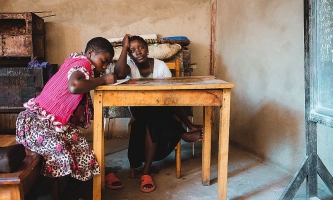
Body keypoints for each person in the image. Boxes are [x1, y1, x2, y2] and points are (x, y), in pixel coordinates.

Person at [15, 37, 123, 200]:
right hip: (38, 122)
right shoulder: (84, 63)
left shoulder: (77, 62)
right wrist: (102, 80)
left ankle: (67, 196)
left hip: (52, 124)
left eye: (107, 63)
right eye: (104, 61)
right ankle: (32, 196)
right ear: (90, 53)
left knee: (86, 156)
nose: (105, 66)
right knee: (61, 156)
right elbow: (74, 87)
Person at [114, 34, 203, 193]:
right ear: (129, 54)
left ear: (147, 49)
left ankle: (146, 173)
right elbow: (119, 74)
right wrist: (124, 48)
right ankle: (182, 133)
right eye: (133, 50)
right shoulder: (129, 66)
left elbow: (170, 98)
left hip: (161, 108)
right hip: (138, 108)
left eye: (141, 47)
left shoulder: (160, 66)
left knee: (155, 114)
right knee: (151, 111)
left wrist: (189, 123)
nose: (138, 52)